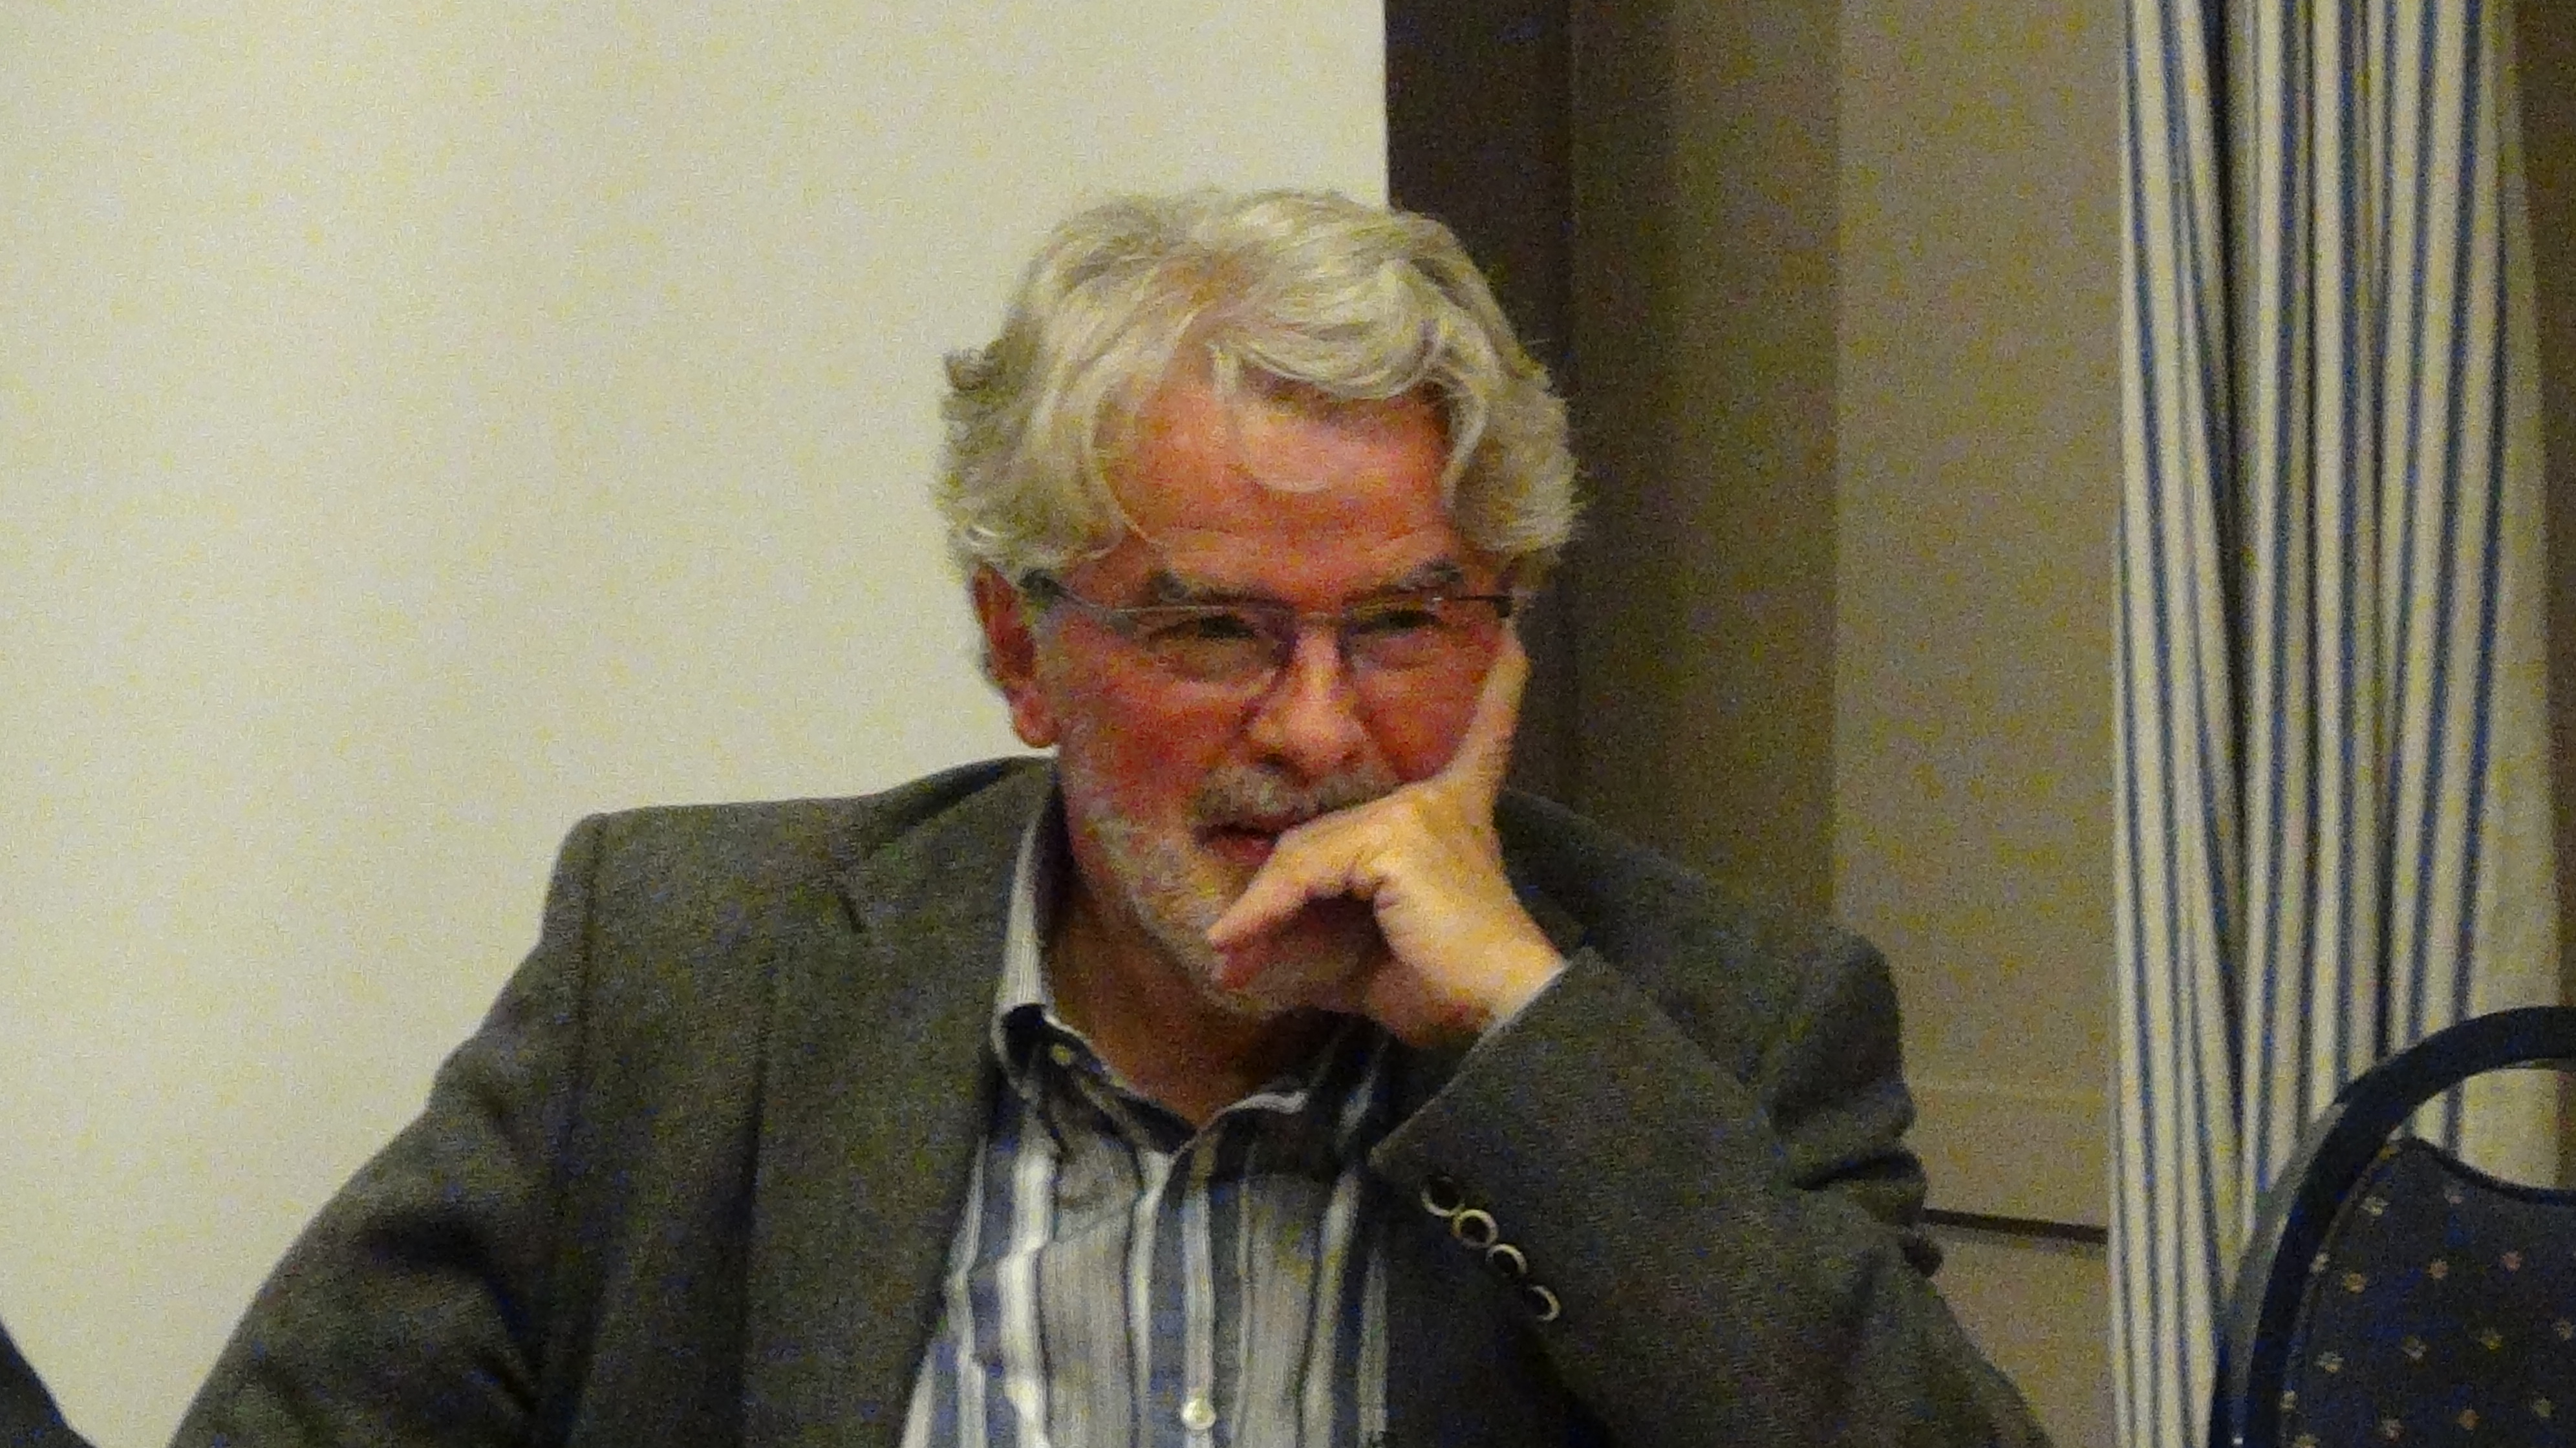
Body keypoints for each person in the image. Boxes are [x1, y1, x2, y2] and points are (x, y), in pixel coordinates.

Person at [174, 189, 2046, 1447]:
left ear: (1508, 634)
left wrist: (1522, 1043)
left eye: (1404, 625)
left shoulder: (1716, 1023)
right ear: (1021, 648)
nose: (1319, 731)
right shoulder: (687, 970)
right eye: (1214, 629)